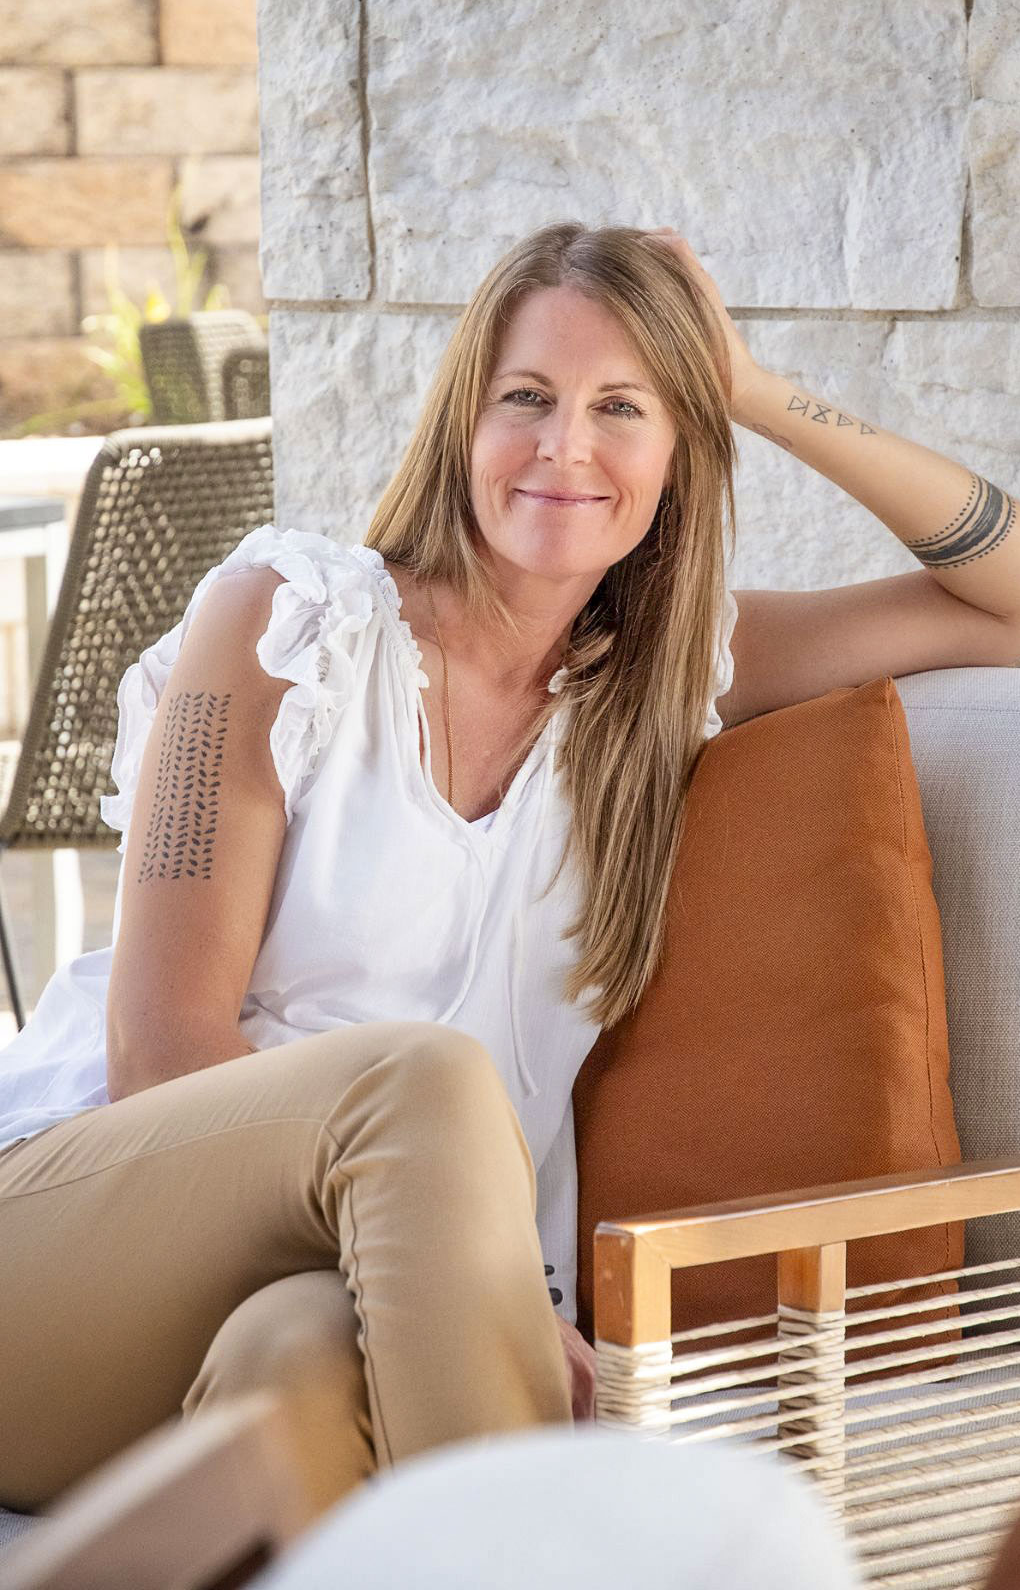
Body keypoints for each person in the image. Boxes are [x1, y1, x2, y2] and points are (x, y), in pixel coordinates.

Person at [0, 221, 741, 1522]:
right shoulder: (289, 621)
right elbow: (160, 1051)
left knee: (301, 1379)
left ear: (681, 457)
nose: (566, 446)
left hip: (298, 1300)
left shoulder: (651, 699)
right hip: (66, 1239)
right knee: (426, 1080)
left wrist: (749, 383)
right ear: (465, 422)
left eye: (624, 407)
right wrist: (492, 1284)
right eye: (527, 397)